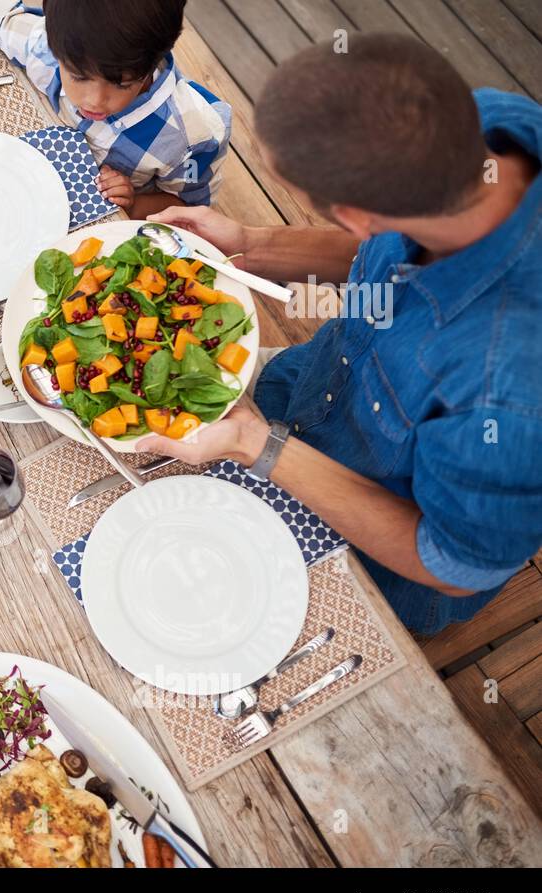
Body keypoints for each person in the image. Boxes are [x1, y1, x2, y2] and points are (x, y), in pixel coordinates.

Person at [137, 34, 542, 635]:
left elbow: (454, 563)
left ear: (355, 214)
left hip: (374, 562)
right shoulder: (480, 128)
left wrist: (258, 445)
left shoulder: (507, 397)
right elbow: (380, 245)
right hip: (303, 393)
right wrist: (249, 245)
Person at [0, 0, 231, 214]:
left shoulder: (191, 134)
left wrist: (134, 203)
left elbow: (189, 208)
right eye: (78, 77)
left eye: (121, 84)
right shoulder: (45, 49)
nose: (94, 100)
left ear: (155, 58)